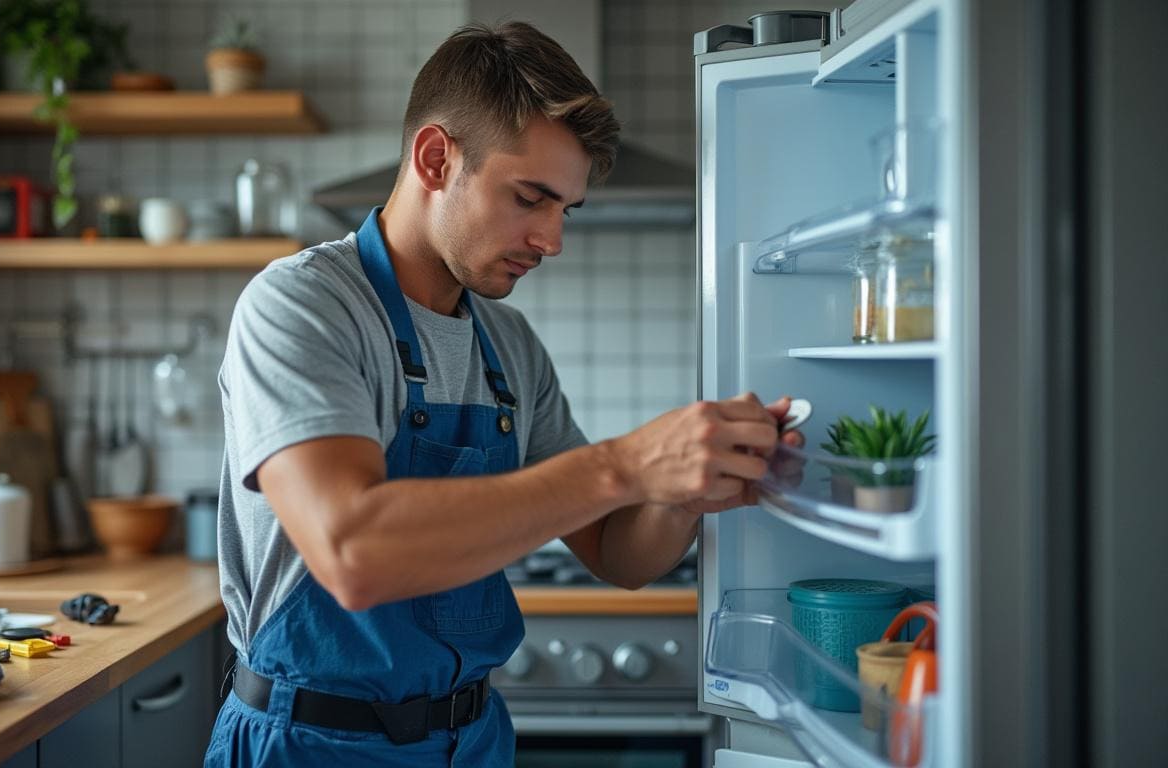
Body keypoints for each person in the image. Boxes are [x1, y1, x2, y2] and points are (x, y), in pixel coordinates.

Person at [204, 21, 802, 768]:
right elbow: (351, 550)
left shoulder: (508, 345)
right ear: (434, 159)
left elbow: (617, 552)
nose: (552, 239)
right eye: (530, 198)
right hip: (312, 744)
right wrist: (626, 463)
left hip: (474, 742)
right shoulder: (301, 306)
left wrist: (685, 490)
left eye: (566, 210)